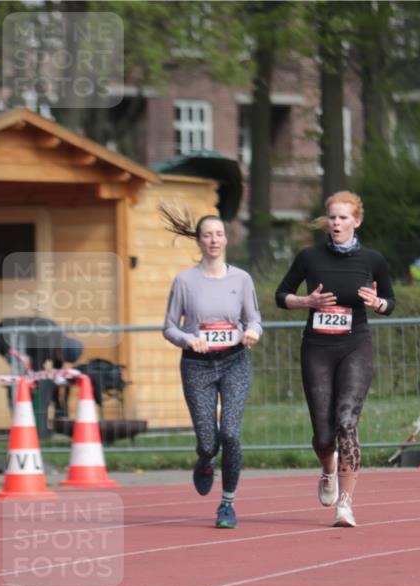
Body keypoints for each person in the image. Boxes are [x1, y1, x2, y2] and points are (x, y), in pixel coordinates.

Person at [275, 191, 395, 527]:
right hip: (317, 349)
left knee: (347, 422)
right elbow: (280, 295)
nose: (336, 223)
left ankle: (346, 503)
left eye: (343, 217)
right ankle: (328, 469)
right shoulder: (309, 257)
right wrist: (306, 302)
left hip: (355, 346)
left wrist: (377, 304)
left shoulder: (373, 260)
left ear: (356, 221)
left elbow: (390, 301)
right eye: (332, 217)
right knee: (324, 435)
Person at [162, 205, 262, 528]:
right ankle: (205, 460)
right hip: (197, 365)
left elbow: (254, 318)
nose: (214, 240)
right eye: (207, 235)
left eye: (219, 234)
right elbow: (169, 327)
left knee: (231, 433)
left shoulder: (241, 279)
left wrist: (252, 332)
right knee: (209, 441)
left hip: (234, 361)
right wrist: (188, 340)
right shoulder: (184, 281)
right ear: (199, 241)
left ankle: (227, 505)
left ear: (226, 240)